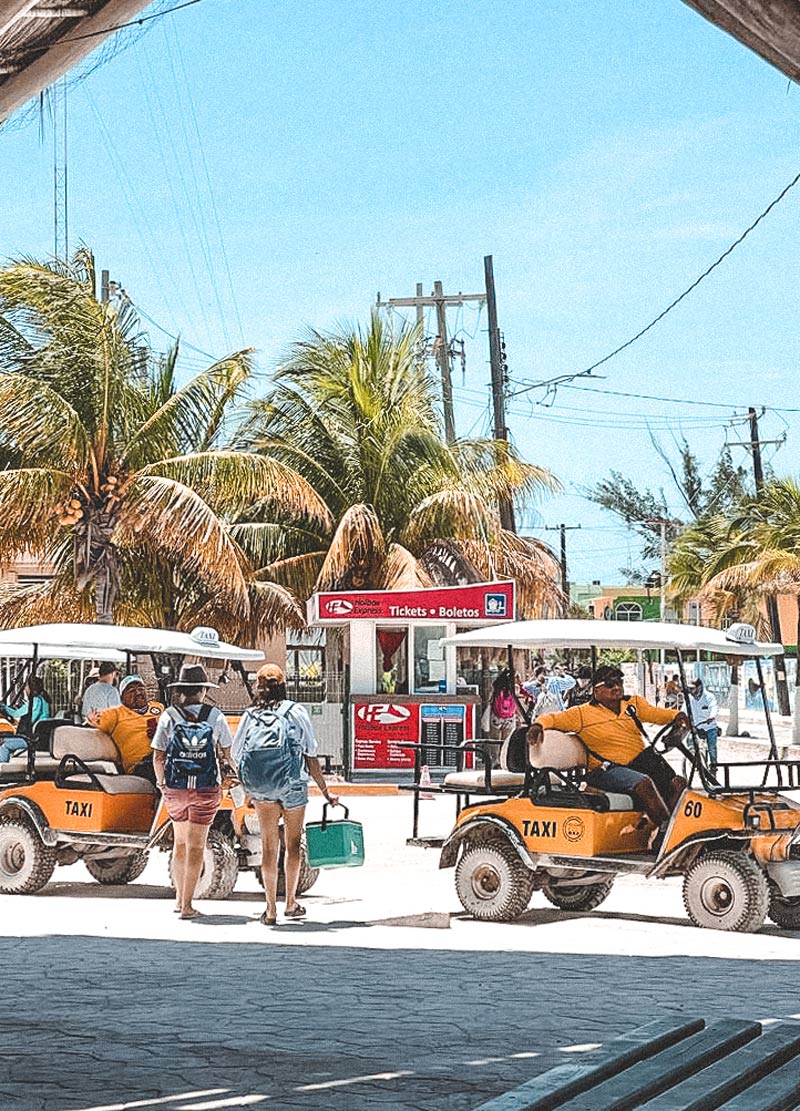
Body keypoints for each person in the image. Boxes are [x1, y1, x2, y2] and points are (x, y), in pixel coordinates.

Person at [232, 663, 338, 926]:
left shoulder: (250, 715)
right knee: (292, 846)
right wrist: (325, 791)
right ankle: (290, 903)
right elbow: (310, 754)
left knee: (269, 847)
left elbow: (236, 753)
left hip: (263, 787)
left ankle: (269, 910)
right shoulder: (296, 711)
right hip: (292, 784)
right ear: (283, 685)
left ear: (259, 687)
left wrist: (249, 787)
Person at [528, 665, 689, 832]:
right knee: (643, 783)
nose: (617, 687)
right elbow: (553, 719)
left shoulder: (632, 704)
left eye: (619, 682)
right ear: (596, 691)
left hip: (640, 762)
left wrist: (677, 717)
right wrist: (538, 726)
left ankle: (663, 829)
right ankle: (667, 832)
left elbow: (656, 714)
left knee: (679, 784)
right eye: (610, 684)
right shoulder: (582, 714)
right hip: (606, 770)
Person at [151, 664, 234, 920]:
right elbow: (229, 753)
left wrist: (162, 784)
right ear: (202, 690)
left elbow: (157, 756)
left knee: (180, 843)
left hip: (175, 788)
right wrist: (236, 775)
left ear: (181, 691)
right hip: (206, 788)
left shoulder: (169, 716)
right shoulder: (215, 716)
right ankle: (188, 906)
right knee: (197, 846)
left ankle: (178, 899)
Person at [88, 675, 160, 781]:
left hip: (164, 753)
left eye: (141, 689)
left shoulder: (158, 707)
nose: (138, 693)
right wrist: (92, 719)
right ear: (122, 698)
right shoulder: (115, 714)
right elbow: (93, 720)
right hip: (141, 765)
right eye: (131, 691)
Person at [0, 677, 51, 762]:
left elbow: (17, 714)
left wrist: (4, 707)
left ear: (31, 688)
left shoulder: (35, 701)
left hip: (31, 738)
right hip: (38, 736)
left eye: (26, 686)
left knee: (3, 743)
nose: (24, 689)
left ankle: (2, 770)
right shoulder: (43, 700)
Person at [688, 678, 719, 773]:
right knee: (689, 741)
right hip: (696, 727)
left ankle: (713, 766)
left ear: (699, 687)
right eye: (689, 688)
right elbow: (683, 710)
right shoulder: (689, 698)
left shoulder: (709, 696)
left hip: (709, 727)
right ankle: (694, 761)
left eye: (692, 688)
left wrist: (711, 716)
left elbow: (714, 707)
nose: (690, 691)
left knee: (712, 748)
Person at [482, 669, 518, 740]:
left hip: (496, 717)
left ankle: (494, 751)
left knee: (494, 740)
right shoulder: (513, 689)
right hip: (509, 718)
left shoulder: (496, 687)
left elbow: (490, 700)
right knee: (506, 741)